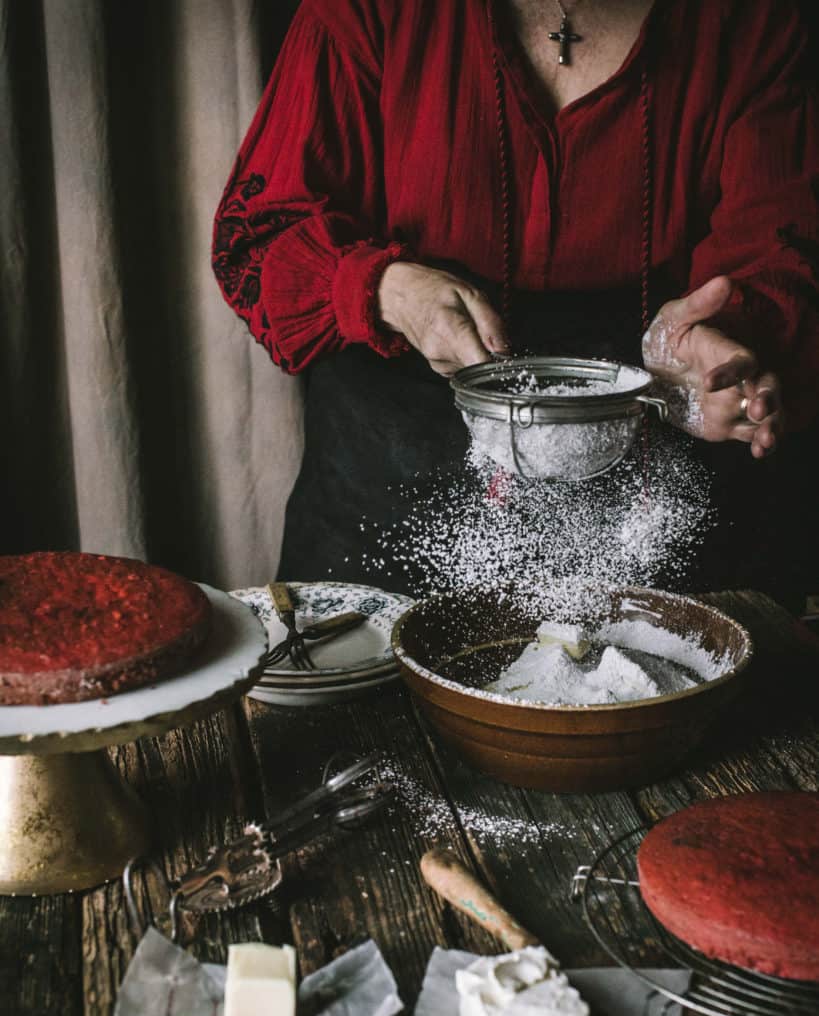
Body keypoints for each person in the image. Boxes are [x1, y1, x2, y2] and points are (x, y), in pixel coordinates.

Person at [212, 0, 818, 603]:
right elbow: (257, 241)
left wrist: (729, 339)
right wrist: (386, 288)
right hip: (388, 484)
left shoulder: (753, 22)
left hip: (654, 492)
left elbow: (777, 244)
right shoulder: (367, 10)